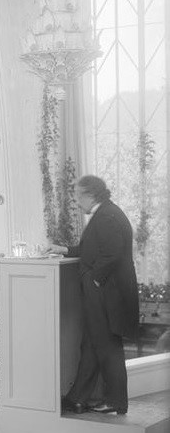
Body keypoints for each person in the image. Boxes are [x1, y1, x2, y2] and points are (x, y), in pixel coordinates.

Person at [48, 175, 139, 416]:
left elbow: (112, 255)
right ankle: (78, 398)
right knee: (91, 344)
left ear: (90, 195)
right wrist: (64, 250)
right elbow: (93, 251)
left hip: (106, 296)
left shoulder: (106, 217)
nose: (77, 203)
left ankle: (117, 402)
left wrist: (94, 280)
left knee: (107, 347)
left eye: (78, 196)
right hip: (105, 294)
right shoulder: (107, 214)